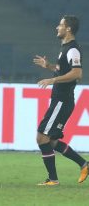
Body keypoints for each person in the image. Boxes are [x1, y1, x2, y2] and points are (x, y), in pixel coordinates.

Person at [33, 15, 88, 186]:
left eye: (60, 25)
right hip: (60, 100)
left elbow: (77, 74)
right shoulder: (65, 48)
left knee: (42, 137)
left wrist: (52, 80)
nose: (57, 27)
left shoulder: (72, 49)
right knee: (51, 140)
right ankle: (84, 164)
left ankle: (53, 179)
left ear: (68, 29)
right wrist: (48, 66)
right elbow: (63, 70)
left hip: (62, 101)